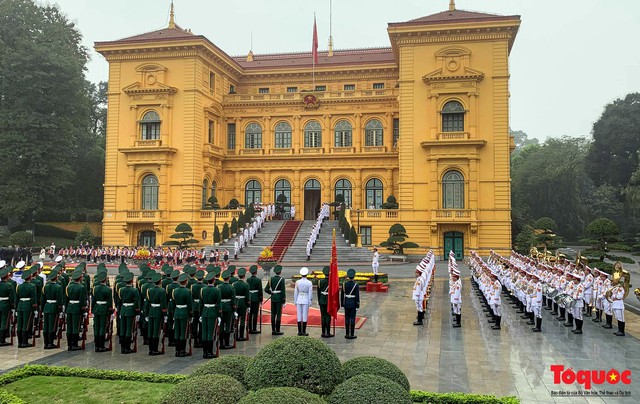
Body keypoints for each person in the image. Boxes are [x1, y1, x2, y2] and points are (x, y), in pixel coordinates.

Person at [144, 271, 167, 355]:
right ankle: (155, 349)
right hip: (158, 312)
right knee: (156, 331)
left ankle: (150, 349)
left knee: (150, 330)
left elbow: (146, 304)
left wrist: (146, 314)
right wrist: (165, 315)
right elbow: (163, 304)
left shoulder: (149, 290)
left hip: (151, 311)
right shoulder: (162, 290)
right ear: (160, 281)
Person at [65, 269, 87, 351]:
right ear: (80, 278)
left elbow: (66, 299)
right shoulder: (81, 288)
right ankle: (74, 344)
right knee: (75, 327)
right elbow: (82, 300)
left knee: (69, 327)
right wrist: (83, 310)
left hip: (70, 307)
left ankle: (69, 344)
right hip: (77, 308)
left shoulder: (68, 287)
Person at [200, 271, 221, 358]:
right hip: (212, 312)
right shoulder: (217, 290)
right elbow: (219, 304)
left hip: (204, 312)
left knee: (204, 332)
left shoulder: (202, 290)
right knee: (211, 333)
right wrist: (219, 315)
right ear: (214, 281)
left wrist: (201, 314)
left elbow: (200, 303)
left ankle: (204, 352)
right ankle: (209, 352)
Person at [118, 272, 140, 354]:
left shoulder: (121, 290)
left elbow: (120, 301)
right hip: (130, 310)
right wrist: (137, 312)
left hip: (123, 310)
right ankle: (127, 348)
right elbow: (136, 302)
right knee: (129, 329)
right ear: (131, 280)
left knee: (123, 329)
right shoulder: (134, 290)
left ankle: (122, 347)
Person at [172, 273, 193, 357]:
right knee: (183, 332)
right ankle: (182, 350)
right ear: (186, 282)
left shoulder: (175, 291)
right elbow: (190, 305)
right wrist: (191, 314)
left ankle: (177, 350)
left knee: (177, 332)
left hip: (177, 312)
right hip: (184, 313)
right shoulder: (188, 291)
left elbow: (173, 304)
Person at [92, 270, 113, 352]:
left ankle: (97, 346)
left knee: (96, 327)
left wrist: (93, 310)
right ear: (105, 280)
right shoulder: (108, 289)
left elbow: (93, 301)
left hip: (96, 308)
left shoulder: (95, 288)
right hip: (104, 309)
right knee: (102, 327)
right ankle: (101, 346)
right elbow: (109, 302)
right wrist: (110, 311)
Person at [16, 266, 37, 348]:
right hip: (28, 306)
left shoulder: (19, 286)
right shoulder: (32, 286)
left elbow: (17, 298)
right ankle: (24, 342)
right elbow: (33, 298)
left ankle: (19, 342)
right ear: (30, 277)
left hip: (20, 305)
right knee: (26, 324)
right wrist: (34, 308)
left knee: (20, 324)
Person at [264, 265, 286, 335]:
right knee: (278, 314)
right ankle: (278, 330)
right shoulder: (281, 280)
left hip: (273, 298)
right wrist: (284, 300)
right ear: (280, 272)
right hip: (279, 298)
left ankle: (273, 330)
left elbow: (266, 289)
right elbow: (283, 291)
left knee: (273, 314)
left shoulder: (271, 279)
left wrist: (271, 292)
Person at [218, 270, 236, 349]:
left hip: (221, 307)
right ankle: (227, 343)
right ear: (228, 278)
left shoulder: (218, 287)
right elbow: (233, 299)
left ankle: (221, 343)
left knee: (221, 325)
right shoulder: (231, 287)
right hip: (228, 307)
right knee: (228, 325)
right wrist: (234, 310)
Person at [0, 263, 16, 346]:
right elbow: (12, 297)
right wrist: (13, 305)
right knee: (4, 322)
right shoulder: (9, 285)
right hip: (6, 304)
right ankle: (2, 340)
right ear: (7, 276)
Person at [341, 268, 360, 339]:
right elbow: (357, 296)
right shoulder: (356, 285)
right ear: (354, 276)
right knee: (352, 318)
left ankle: (346, 333)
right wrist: (358, 305)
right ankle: (352, 334)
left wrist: (342, 304)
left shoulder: (344, 284)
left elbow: (342, 295)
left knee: (347, 318)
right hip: (353, 303)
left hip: (346, 302)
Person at [294, 267, 313, 336]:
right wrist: (310, 301)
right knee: (305, 315)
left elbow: (296, 292)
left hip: (299, 298)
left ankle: (299, 331)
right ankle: (304, 331)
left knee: (299, 315)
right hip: (305, 299)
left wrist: (295, 300)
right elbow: (310, 293)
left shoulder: (297, 282)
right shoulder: (309, 282)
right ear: (307, 274)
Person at [233, 268, 250, 341]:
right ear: (244, 275)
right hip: (243, 303)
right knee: (242, 319)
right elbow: (247, 297)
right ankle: (241, 335)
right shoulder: (246, 285)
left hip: (236, 302)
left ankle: (236, 335)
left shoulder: (234, 284)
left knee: (236, 319)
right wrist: (248, 306)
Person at [247, 265, 263, 334]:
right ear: (256, 272)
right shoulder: (258, 280)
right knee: (255, 314)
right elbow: (260, 291)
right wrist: (261, 299)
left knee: (250, 314)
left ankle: (249, 328)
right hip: (256, 298)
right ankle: (254, 328)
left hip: (250, 297)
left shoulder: (248, 280)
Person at [318, 266, 332, 338]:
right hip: (329, 300)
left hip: (322, 300)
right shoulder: (331, 282)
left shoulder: (320, 281)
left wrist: (319, 301)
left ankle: (323, 332)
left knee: (323, 316)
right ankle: (328, 332)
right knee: (328, 316)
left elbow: (318, 292)